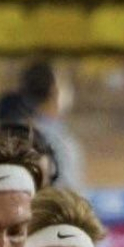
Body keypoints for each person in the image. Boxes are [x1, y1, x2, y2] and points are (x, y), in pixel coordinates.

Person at [17, 60, 86, 195]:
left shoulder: (17, 129)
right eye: (64, 85)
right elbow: (67, 195)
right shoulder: (55, 141)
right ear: (54, 90)